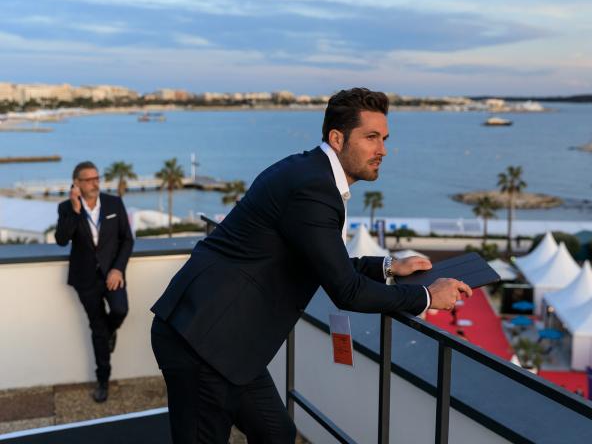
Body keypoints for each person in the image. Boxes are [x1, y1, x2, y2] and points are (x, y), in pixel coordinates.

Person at [150, 88, 472, 443]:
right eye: (371, 138)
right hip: (202, 340)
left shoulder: (307, 171)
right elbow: (345, 290)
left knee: (277, 435)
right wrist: (426, 296)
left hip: (228, 341)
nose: (382, 150)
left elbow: (320, 260)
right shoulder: (313, 189)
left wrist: (389, 265)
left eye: (384, 139)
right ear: (337, 138)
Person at [55, 161, 134, 403]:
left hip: (112, 275)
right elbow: (61, 239)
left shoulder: (113, 203)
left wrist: (117, 270)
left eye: (97, 178)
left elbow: (127, 240)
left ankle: (110, 332)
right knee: (97, 329)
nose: (95, 183)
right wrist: (76, 210)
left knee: (120, 309)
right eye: (89, 179)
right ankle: (103, 381)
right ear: (76, 184)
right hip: (85, 279)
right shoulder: (66, 207)